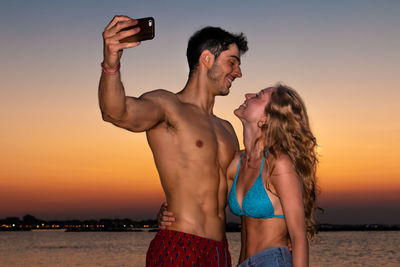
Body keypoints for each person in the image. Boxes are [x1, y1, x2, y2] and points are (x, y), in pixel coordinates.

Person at [98, 15, 248, 266]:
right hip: (180, 244)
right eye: (232, 63)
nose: (238, 72)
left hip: (220, 251)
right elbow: (115, 112)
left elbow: (243, 191)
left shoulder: (227, 128)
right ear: (207, 58)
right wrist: (111, 61)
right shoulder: (168, 106)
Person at [161, 84, 318, 267]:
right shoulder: (236, 162)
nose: (248, 94)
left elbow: (298, 237)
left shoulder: (278, 163)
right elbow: (206, 205)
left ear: (266, 118)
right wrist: (171, 213)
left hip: (273, 261)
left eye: (258, 96)